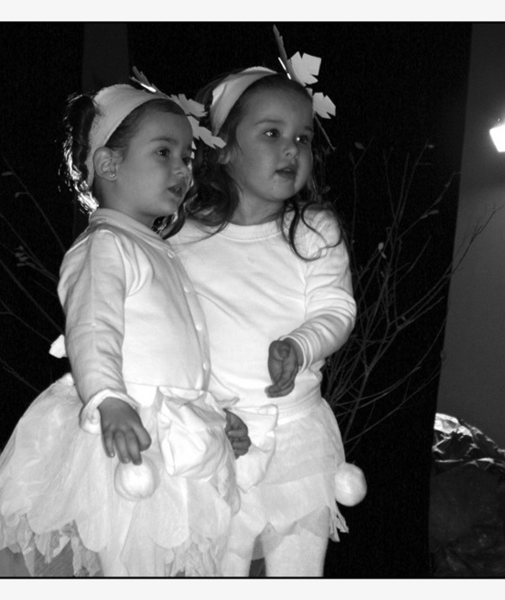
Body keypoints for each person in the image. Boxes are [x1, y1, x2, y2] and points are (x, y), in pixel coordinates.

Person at [0, 77, 251, 577]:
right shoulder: (105, 246)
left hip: (169, 432)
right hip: (126, 429)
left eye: (187, 156)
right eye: (163, 152)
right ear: (108, 164)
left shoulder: (158, 248)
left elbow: (182, 352)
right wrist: (108, 399)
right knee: (128, 560)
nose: (183, 169)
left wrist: (215, 411)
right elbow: (92, 329)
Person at [169, 53, 367, 577]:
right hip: (218, 436)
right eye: (272, 133)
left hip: (295, 435)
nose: (292, 149)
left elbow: (336, 308)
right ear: (225, 148)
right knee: (217, 567)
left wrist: (300, 345)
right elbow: (168, 333)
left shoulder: (315, 231)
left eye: (303, 138)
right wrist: (202, 410)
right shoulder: (181, 237)